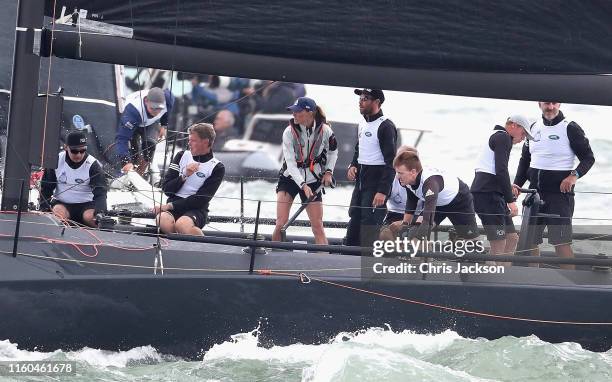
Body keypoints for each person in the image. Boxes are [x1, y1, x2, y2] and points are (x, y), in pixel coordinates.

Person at [513, 102, 595, 269]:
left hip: (559, 196)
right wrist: (517, 185)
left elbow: (588, 158)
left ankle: (570, 288)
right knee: (530, 241)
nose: (549, 107)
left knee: (561, 243)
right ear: (539, 104)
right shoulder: (533, 127)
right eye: (546, 103)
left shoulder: (570, 128)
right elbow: (525, 161)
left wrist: (574, 175)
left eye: (553, 103)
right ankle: (533, 280)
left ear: (559, 104)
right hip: (534, 194)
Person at [272, 97, 338, 245]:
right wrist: (302, 185)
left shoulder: (326, 131)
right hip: (290, 178)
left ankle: (325, 262)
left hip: (314, 180)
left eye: (297, 111)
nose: (293, 114)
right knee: (280, 223)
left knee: (317, 226)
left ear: (310, 113)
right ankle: (273, 256)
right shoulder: (288, 132)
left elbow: (333, 152)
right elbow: (290, 163)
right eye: (293, 112)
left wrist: (328, 172)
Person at [471, 115, 532, 262]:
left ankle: (503, 275)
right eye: (523, 133)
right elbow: (501, 170)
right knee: (499, 241)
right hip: (487, 195)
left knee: (512, 238)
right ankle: (492, 280)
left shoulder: (498, 136)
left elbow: (491, 168)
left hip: (491, 191)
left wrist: (507, 186)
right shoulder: (503, 138)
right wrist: (511, 201)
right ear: (513, 126)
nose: (523, 138)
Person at [345, 89, 397, 247]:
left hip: (377, 179)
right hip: (361, 178)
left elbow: (391, 162)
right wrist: (353, 164)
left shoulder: (385, 126)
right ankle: (348, 254)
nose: (361, 101)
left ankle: (366, 262)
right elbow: (359, 149)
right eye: (360, 98)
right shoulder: (363, 123)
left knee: (370, 220)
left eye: (366, 98)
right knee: (355, 214)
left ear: (377, 102)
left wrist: (383, 191)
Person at [155, 123, 225, 235]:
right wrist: (184, 176)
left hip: (197, 209)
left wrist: (169, 206)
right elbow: (167, 189)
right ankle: (176, 247)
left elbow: (201, 200)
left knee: (182, 224)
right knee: (162, 220)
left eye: (193, 140)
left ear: (205, 142)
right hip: (174, 205)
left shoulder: (217, 167)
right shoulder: (181, 156)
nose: (189, 143)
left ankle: (203, 249)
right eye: (189, 140)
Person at [394, 151, 479, 241]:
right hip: (436, 204)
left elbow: (427, 221)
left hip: (459, 200)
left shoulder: (430, 183)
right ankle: (425, 254)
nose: (397, 177)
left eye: (400, 173)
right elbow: (411, 201)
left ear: (413, 172)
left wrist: (423, 230)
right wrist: (405, 225)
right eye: (397, 172)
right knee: (415, 234)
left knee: (472, 242)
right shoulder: (407, 180)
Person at [39, 131, 108, 227]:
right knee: (58, 214)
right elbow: (46, 187)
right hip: (63, 204)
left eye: (82, 150)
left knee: (91, 218)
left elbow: (101, 192)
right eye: (74, 151)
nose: (79, 155)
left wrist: (101, 212)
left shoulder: (93, 165)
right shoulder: (57, 160)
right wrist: (44, 208)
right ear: (66, 147)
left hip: (87, 205)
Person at [115, 87, 175, 175]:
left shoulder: (168, 99)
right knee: (134, 153)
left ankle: (140, 174)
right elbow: (121, 138)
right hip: (135, 120)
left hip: (151, 123)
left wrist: (164, 125)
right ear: (146, 101)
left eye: (159, 108)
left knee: (150, 147)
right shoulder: (132, 112)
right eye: (153, 108)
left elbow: (167, 111)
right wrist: (126, 162)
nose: (156, 112)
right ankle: (130, 172)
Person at [379, 145, 421, 241]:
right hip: (394, 214)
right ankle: (396, 254)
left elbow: (432, 214)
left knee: (418, 240)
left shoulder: (424, 180)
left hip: (418, 217)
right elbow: (378, 206)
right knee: (384, 233)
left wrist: (404, 222)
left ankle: (417, 253)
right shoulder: (390, 179)